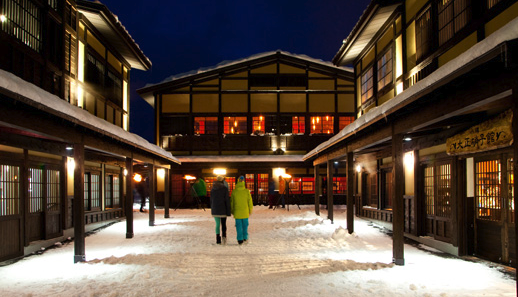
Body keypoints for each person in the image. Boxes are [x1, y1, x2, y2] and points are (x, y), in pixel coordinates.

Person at [231, 176, 253, 245]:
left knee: (238, 226)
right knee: (245, 225)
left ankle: (240, 239)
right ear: (244, 182)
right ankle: (245, 237)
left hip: (237, 212)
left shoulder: (234, 192)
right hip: (245, 212)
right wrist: (250, 210)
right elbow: (250, 202)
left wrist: (232, 211)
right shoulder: (247, 191)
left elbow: (232, 202)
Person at [211, 176, 230, 245]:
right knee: (223, 224)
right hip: (223, 209)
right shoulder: (224, 189)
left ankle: (218, 238)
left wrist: (212, 208)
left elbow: (211, 200)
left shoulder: (213, 189)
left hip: (215, 209)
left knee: (217, 224)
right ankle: (224, 237)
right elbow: (227, 200)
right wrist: (228, 210)